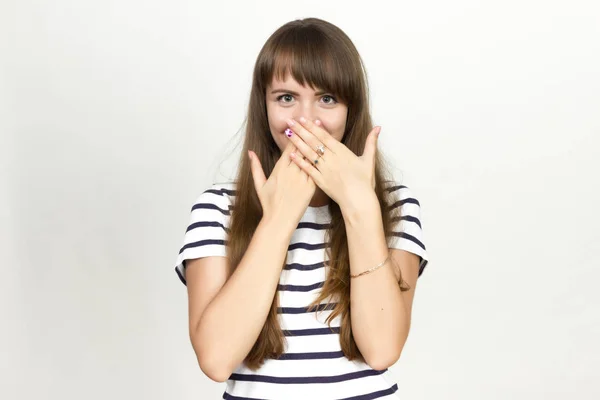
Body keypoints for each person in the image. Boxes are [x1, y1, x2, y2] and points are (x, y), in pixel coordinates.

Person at [173, 17, 430, 399]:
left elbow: (382, 349)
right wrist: (277, 220)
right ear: (265, 106)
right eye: (286, 98)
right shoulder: (218, 209)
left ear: (351, 109)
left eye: (327, 98)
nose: (306, 120)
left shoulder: (393, 205)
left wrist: (359, 207)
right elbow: (215, 358)